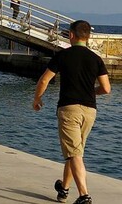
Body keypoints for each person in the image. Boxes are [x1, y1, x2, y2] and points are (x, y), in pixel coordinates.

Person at [33, 20, 110, 204]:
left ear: (71, 35)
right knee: (75, 151)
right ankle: (64, 190)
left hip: (69, 110)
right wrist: (92, 92)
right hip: (90, 111)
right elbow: (106, 88)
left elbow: (44, 80)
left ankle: (84, 196)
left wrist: (37, 99)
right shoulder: (96, 59)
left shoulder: (63, 56)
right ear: (88, 37)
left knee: (74, 153)